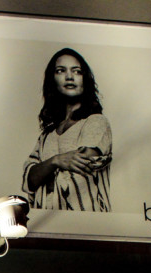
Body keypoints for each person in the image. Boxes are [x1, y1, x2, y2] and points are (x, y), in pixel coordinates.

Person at [22, 48, 111, 212]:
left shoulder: (96, 122)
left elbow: (83, 166)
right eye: (61, 71)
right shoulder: (46, 135)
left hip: (87, 224)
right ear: (52, 80)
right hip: (47, 226)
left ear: (85, 79)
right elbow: (30, 179)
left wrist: (45, 169)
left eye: (77, 71)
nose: (69, 77)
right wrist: (57, 160)